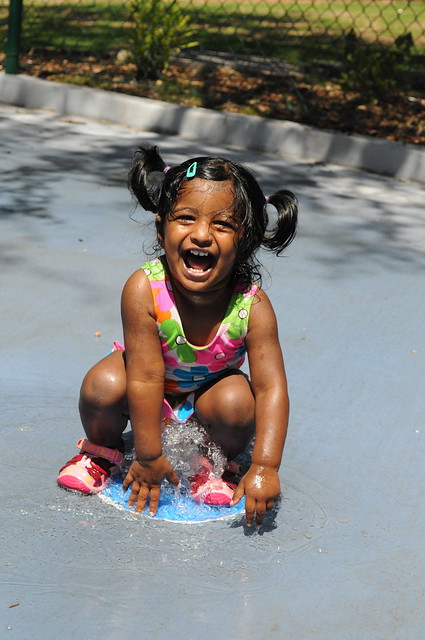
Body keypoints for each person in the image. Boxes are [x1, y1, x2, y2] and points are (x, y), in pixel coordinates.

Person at [57, 146, 298, 526]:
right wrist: (148, 457)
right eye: (186, 218)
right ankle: (103, 451)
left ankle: (214, 463)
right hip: (146, 378)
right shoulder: (145, 288)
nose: (201, 235)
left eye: (223, 225)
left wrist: (266, 466)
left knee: (239, 402)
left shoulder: (252, 305)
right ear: (160, 229)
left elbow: (271, 388)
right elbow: (145, 375)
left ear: (246, 241)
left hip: (209, 390)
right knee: (102, 385)